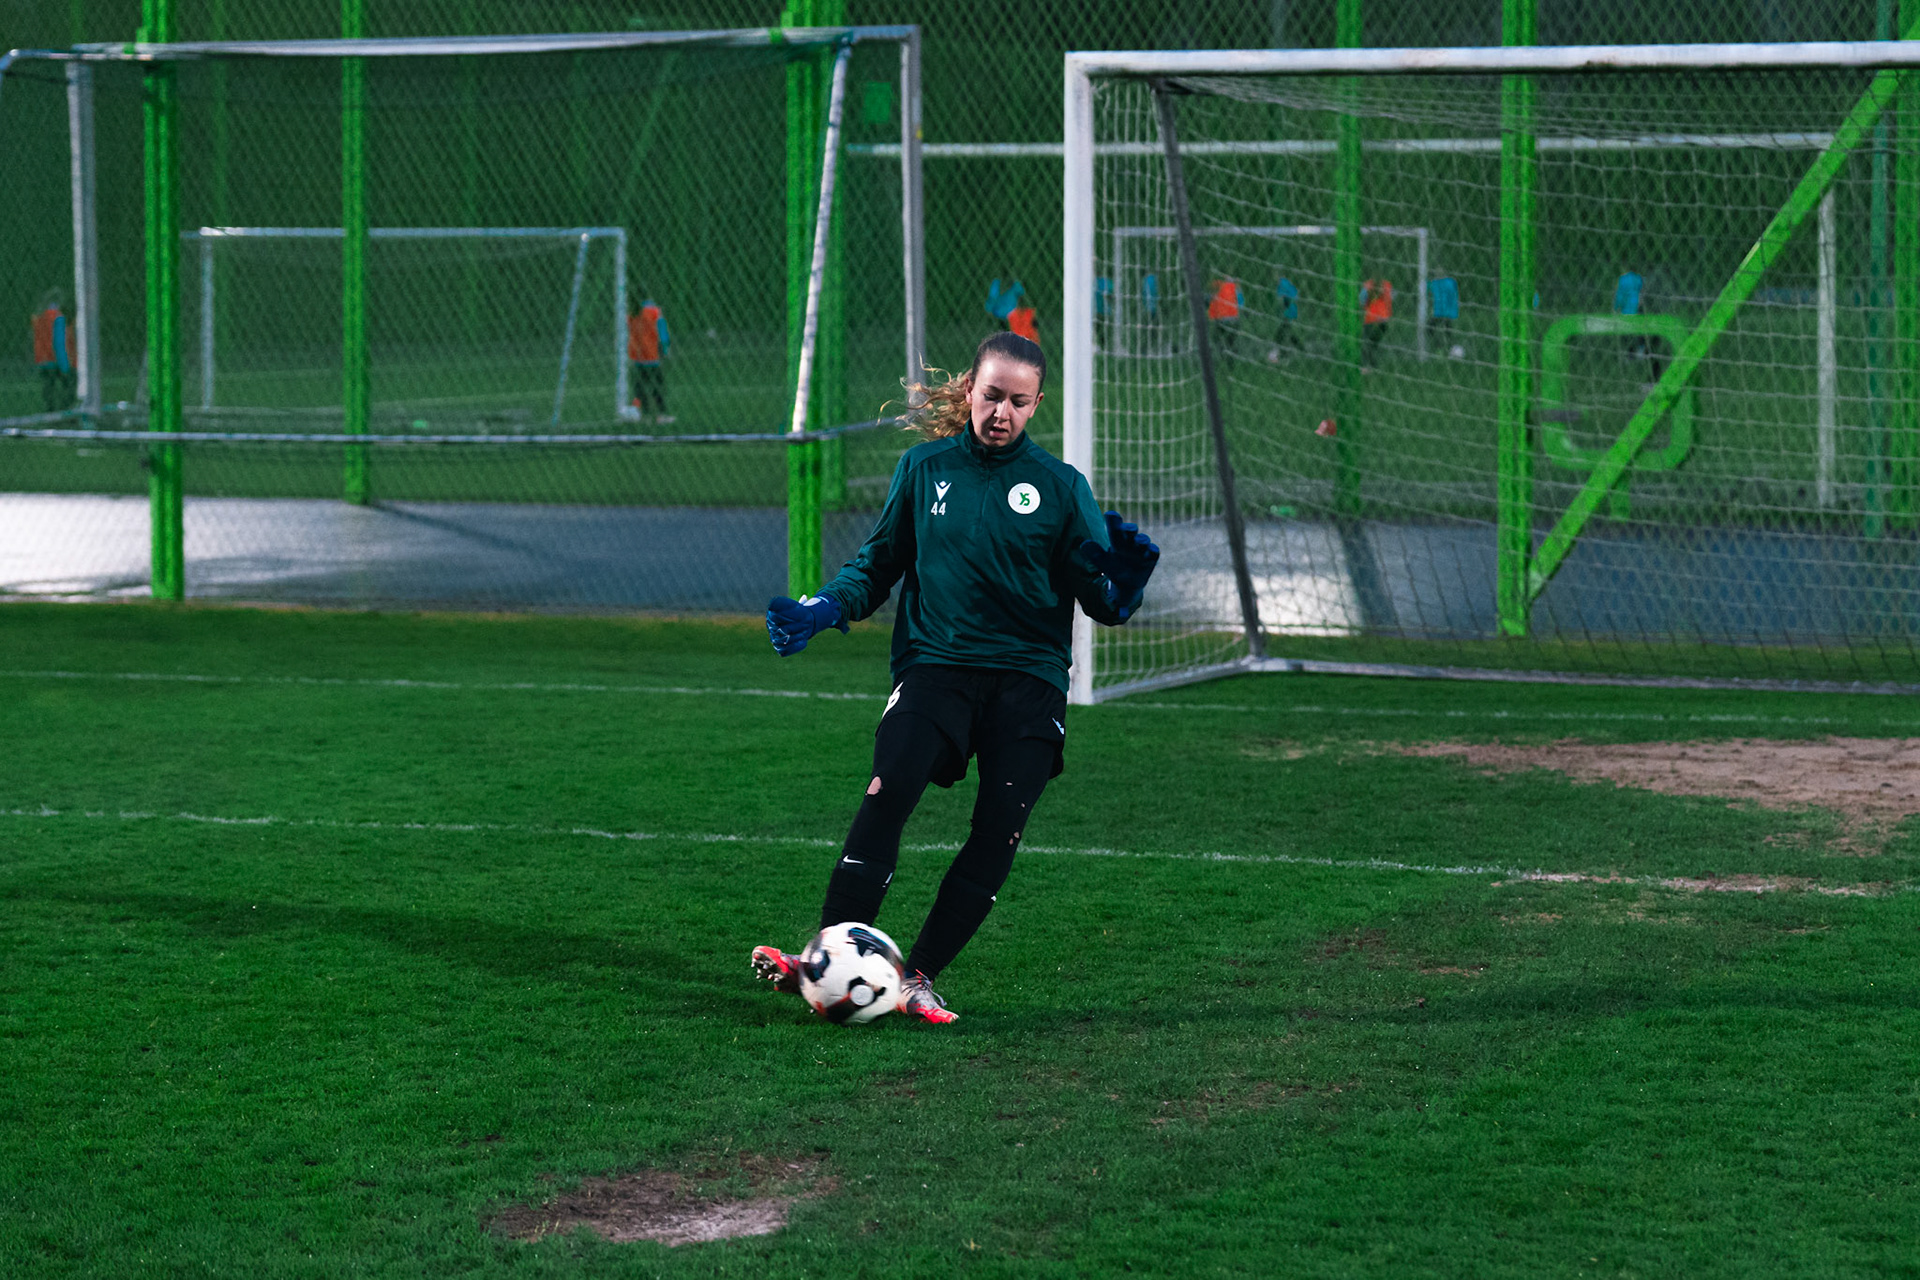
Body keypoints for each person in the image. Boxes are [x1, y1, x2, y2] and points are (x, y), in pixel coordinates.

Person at [751, 332, 1161, 1024]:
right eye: (992, 394)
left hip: (1028, 679)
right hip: (936, 666)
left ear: (1036, 406)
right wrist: (823, 607)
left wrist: (1121, 589)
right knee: (891, 787)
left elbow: (1103, 602)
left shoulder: (1063, 489)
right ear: (971, 388)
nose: (1002, 411)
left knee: (1000, 825)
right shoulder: (923, 468)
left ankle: (916, 979)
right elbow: (877, 564)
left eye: (1018, 401)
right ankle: (825, 960)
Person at [628, 293, 672, 423]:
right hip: (652, 355)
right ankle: (661, 415)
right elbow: (662, 332)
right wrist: (665, 349)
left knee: (640, 385)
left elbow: (630, 332)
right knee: (657, 385)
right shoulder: (655, 312)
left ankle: (644, 414)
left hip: (637, 355)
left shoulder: (631, 313)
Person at [31, 289, 75, 413]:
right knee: (68, 385)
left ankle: (50, 414)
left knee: (48, 391)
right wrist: (65, 367)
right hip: (54, 360)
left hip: (42, 360)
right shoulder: (58, 317)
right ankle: (66, 412)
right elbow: (59, 344)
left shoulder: (38, 317)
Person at [1361, 277, 1393, 370]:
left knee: (1368, 343)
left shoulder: (1369, 285)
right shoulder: (1386, 284)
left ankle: (1368, 366)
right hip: (1377, 320)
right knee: (1370, 344)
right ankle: (1371, 366)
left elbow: (1362, 300)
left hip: (1374, 320)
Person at [1428, 270, 1461, 357]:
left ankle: (1445, 348)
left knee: (1444, 329)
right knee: (1443, 329)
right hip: (1444, 312)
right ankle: (1443, 347)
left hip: (1444, 311)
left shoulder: (1442, 282)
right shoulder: (1448, 282)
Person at [1207, 276, 1242, 356]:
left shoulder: (1217, 285)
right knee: (1230, 339)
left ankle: (1222, 352)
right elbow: (1240, 303)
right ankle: (1232, 353)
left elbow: (1212, 301)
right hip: (1233, 319)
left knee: (1217, 337)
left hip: (1221, 319)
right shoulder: (1235, 287)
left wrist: (1212, 316)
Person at [1270, 273, 1303, 360]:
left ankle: (1282, 353)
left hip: (1288, 313)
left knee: (1281, 333)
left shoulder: (1283, 284)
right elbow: (1295, 295)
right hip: (1291, 312)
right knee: (1287, 331)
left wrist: (1284, 305)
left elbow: (1284, 298)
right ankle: (1300, 348)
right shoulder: (1286, 283)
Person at [1094, 275, 1113, 350]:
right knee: (1098, 329)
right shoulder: (1095, 281)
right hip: (1097, 311)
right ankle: (1100, 346)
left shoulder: (1108, 282)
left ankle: (1104, 347)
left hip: (1104, 312)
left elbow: (1111, 296)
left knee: (1103, 331)